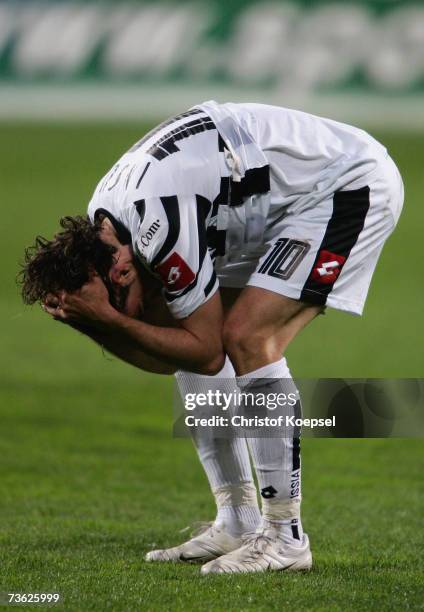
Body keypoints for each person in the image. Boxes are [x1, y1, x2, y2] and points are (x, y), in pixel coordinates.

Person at [20, 101, 404, 574]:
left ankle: (286, 537)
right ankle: (238, 520)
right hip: (268, 206)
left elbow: (203, 352)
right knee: (198, 329)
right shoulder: (109, 226)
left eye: (108, 302)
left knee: (247, 336)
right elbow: (167, 352)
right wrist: (95, 318)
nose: (113, 312)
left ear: (119, 270)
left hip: (343, 185)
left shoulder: (155, 226)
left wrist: (110, 322)